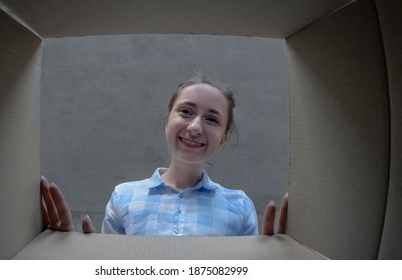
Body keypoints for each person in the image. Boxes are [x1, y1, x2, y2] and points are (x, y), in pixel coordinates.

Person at [40, 74, 288, 236]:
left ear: (222, 138)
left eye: (212, 119)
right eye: (186, 111)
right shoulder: (124, 196)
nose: (195, 127)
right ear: (167, 122)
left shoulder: (239, 206)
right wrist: (82, 258)